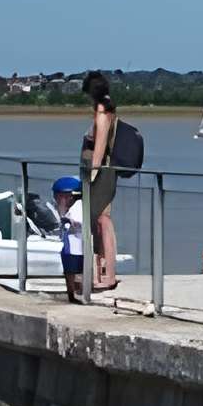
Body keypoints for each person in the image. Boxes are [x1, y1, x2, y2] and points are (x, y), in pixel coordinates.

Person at [79, 71, 123, 294]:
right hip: (102, 170)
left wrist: (93, 173)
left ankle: (105, 275)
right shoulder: (107, 108)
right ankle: (101, 272)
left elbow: (100, 145)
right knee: (100, 221)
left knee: (100, 220)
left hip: (101, 172)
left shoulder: (103, 111)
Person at [53, 175, 87, 304]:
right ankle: (72, 295)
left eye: (60, 196)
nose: (57, 199)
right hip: (71, 246)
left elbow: (78, 221)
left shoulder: (78, 206)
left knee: (74, 272)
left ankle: (75, 296)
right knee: (70, 272)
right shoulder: (72, 207)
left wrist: (67, 220)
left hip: (76, 247)